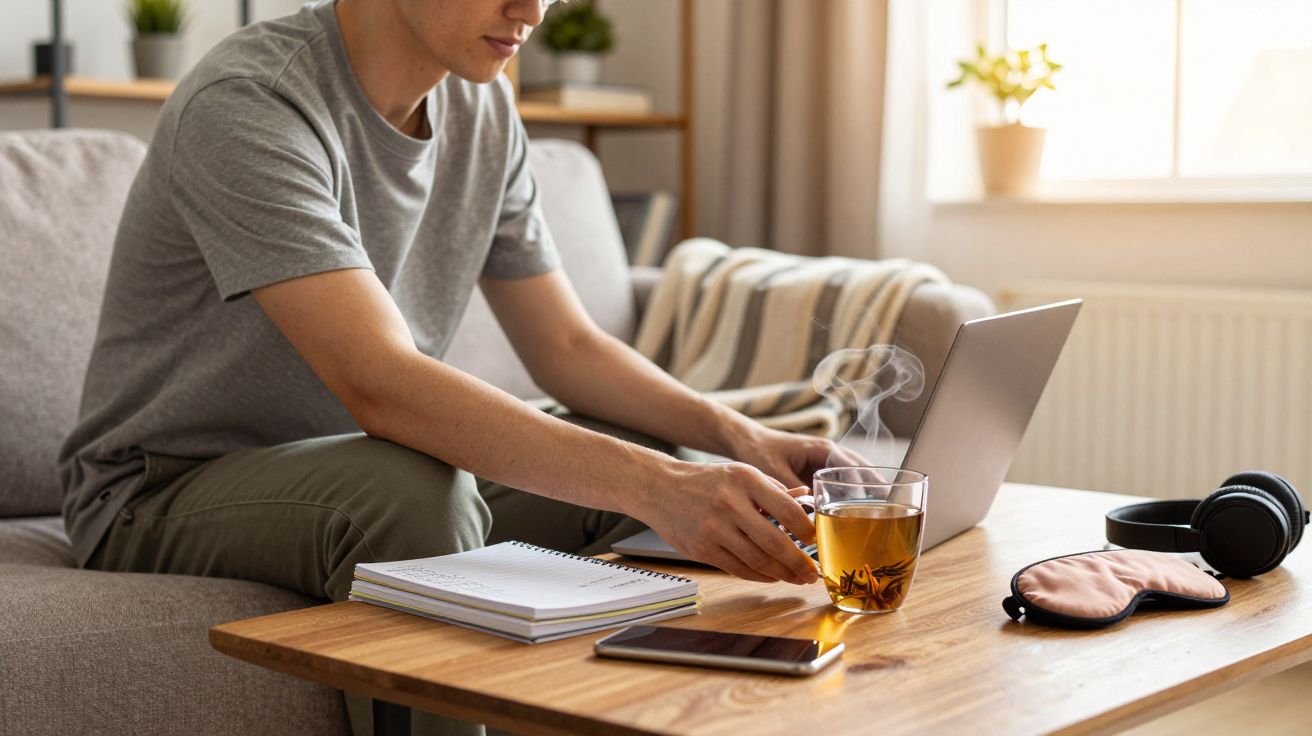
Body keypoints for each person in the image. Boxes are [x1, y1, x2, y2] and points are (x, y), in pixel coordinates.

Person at [59, 0, 849, 732]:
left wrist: (737, 437)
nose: (533, 11)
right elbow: (381, 385)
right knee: (414, 492)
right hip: (160, 487)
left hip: (355, 461)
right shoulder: (251, 103)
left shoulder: (482, 105)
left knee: (633, 454)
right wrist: (656, 484)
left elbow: (566, 349)